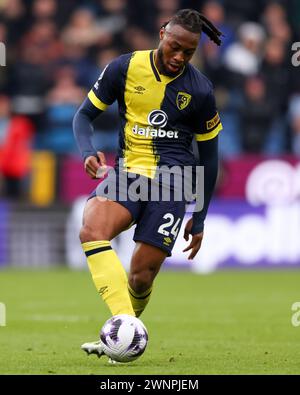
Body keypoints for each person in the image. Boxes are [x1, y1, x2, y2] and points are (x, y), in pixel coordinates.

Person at [73, 9, 223, 358]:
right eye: (174, 47)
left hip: (173, 183)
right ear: (161, 33)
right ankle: (124, 330)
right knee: (91, 231)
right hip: (128, 175)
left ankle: (122, 332)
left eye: (188, 52)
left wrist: (199, 217)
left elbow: (211, 157)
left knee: (141, 278)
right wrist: (87, 152)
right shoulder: (123, 68)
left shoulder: (200, 90)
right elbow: (84, 115)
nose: (178, 57)